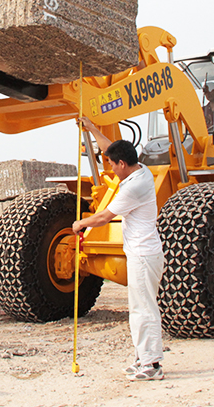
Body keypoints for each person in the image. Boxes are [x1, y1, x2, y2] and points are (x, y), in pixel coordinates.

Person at [72, 117, 165, 382]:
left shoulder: (135, 186)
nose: (110, 168)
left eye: (112, 165)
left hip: (143, 255)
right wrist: (91, 128)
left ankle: (151, 364)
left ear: (123, 164)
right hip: (144, 253)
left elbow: (103, 218)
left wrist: (80, 223)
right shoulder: (140, 169)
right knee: (140, 308)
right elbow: (111, 147)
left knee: (143, 309)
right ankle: (143, 358)